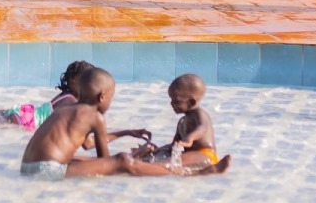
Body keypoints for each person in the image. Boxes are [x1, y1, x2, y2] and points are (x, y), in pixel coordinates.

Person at [19, 68, 227, 180]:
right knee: (125, 162)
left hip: (28, 167)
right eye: (111, 97)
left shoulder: (66, 109)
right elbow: (107, 161)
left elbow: (88, 145)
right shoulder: (95, 116)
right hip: (47, 171)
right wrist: (134, 157)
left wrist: (127, 132)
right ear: (102, 97)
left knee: (81, 159)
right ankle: (195, 173)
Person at [0, 61, 92, 130]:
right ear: (72, 81)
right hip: (28, 121)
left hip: (26, 112)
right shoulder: (71, 100)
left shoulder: (65, 94)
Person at [139, 74, 221, 170]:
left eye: (176, 101)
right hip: (189, 154)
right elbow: (174, 144)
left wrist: (189, 138)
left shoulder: (200, 114)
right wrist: (157, 150)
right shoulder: (182, 121)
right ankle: (141, 164)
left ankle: (214, 169)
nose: (171, 104)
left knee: (173, 165)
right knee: (153, 158)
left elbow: (202, 128)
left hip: (205, 154)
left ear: (192, 102)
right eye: (171, 100)